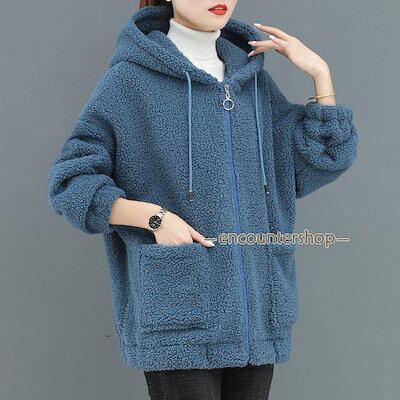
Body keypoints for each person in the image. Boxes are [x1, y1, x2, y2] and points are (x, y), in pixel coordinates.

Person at [47, 0, 358, 399]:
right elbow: (71, 181)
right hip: (179, 313)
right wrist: (155, 219)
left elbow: (315, 162)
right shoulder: (130, 81)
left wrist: (321, 77)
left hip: (256, 316)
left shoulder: (254, 84)